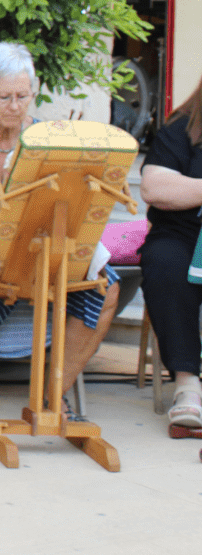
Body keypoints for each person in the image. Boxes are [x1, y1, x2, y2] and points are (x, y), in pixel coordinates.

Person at [0, 42, 120, 419]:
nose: (15, 106)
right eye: (4, 97)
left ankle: (54, 391)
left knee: (105, 285)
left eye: (22, 96)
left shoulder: (46, 136)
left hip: (36, 241)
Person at [139, 69, 202, 432]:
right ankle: (187, 385)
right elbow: (154, 187)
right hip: (183, 235)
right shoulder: (181, 129)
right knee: (165, 263)